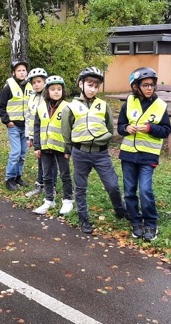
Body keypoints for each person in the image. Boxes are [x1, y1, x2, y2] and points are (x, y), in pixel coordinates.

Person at [61, 67, 127, 234]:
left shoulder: (103, 105)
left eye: (96, 86)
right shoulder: (71, 107)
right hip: (80, 153)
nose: (93, 89)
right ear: (80, 84)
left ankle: (121, 210)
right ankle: (83, 218)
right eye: (89, 85)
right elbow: (66, 131)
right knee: (81, 187)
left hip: (101, 153)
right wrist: (68, 150)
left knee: (112, 185)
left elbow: (110, 128)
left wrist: (102, 140)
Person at [117, 67, 171, 242]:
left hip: (148, 156)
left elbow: (165, 131)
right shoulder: (129, 102)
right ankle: (135, 221)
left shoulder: (160, 106)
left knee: (145, 190)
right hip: (128, 155)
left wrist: (149, 128)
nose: (149, 88)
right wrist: (126, 128)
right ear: (136, 86)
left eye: (152, 85)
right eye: (146, 85)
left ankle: (150, 224)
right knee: (129, 191)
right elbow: (120, 126)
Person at [32, 76, 74, 215]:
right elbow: (37, 127)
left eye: (59, 89)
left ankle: (68, 200)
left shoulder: (67, 107)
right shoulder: (41, 107)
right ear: (47, 91)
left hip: (61, 148)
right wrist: (37, 147)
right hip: (45, 147)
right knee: (47, 175)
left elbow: (71, 129)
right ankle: (49, 200)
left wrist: (69, 149)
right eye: (53, 89)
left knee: (64, 174)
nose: (56, 92)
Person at [0, 59, 32, 191]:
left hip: (26, 126)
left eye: (24, 70)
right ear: (14, 73)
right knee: (15, 152)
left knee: (23, 153)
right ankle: (9, 178)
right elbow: (1, 107)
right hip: (14, 126)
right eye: (19, 70)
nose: (22, 73)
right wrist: (7, 121)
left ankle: (18, 176)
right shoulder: (8, 88)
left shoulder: (30, 87)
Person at [24, 67, 55, 198]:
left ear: (44, 82)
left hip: (49, 136)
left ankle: (51, 187)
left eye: (39, 82)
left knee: (50, 162)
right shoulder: (31, 97)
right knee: (40, 160)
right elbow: (29, 118)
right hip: (37, 135)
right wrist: (29, 136)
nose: (36, 85)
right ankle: (40, 185)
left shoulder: (49, 97)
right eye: (34, 83)